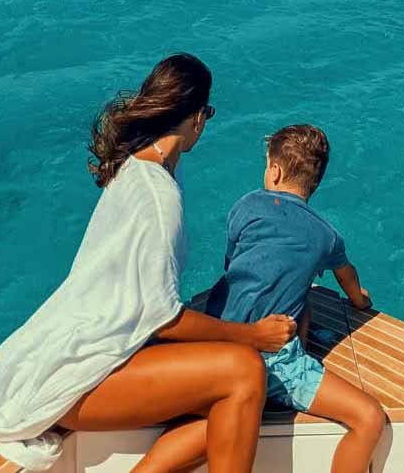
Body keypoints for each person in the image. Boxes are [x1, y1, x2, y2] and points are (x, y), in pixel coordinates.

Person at [0, 53, 297, 473]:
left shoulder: (136, 166)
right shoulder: (160, 196)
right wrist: (252, 335)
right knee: (244, 372)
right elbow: (163, 319)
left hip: (72, 354)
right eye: (208, 113)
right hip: (80, 378)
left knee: (227, 405)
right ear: (197, 117)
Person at [146, 124, 387, 473]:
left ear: (274, 171)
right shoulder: (327, 236)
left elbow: (234, 266)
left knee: (211, 416)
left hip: (216, 346)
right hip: (275, 362)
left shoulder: (246, 207)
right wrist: (360, 300)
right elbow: (347, 277)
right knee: (369, 417)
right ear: (315, 183)